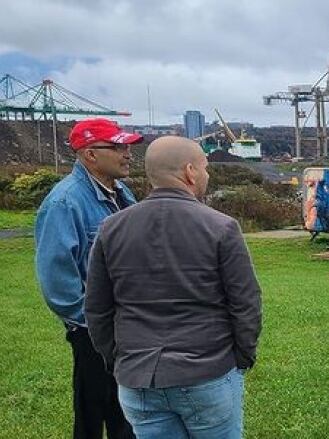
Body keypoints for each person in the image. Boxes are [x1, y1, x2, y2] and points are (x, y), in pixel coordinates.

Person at [84, 136, 262, 438]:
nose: (206, 175)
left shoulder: (111, 228)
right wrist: (241, 358)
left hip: (138, 377)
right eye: (205, 168)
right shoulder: (221, 227)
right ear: (190, 171)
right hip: (207, 372)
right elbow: (245, 303)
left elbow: (97, 308)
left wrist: (117, 357)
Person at [34, 118, 141, 439]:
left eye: (128, 146)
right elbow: (57, 279)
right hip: (93, 330)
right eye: (118, 147)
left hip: (126, 323)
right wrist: (91, 321)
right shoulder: (64, 202)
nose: (128, 154)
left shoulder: (122, 193)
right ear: (89, 155)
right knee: (93, 412)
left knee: (125, 410)